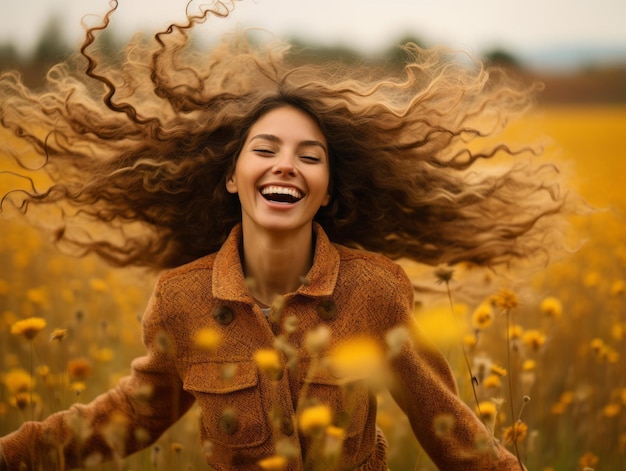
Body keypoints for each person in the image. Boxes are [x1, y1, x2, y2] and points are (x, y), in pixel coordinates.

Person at [0, 1, 567, 469]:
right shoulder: (181, 301)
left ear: (326, 191)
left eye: (309, 156)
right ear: (230, 177)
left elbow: (449, 431)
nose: (285, 166)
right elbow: (130, 417)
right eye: (265, 150)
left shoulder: (374, 291)